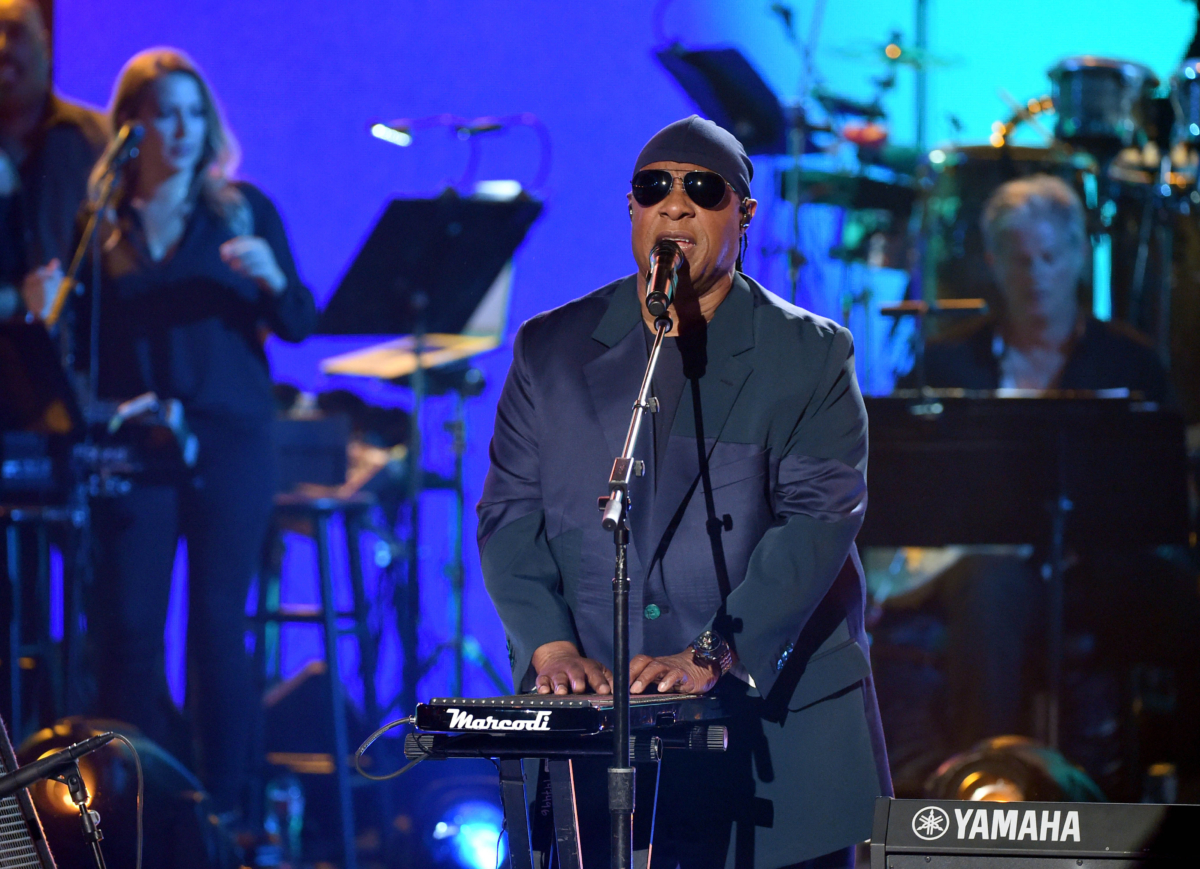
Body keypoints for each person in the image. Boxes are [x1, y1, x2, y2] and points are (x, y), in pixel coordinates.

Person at [477, 115, 890, 869]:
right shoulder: (550, 349)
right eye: (653, 188)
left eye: (702, 189)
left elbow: (818, 519)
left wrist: (713, 652)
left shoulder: (810, 354)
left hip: (770, 740)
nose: (675, 205)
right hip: (592, 745)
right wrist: (551, 644)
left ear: (744, 215)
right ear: (630, 210)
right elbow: (510, 517)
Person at [24, 48, 317, 817]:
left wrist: (272, 279)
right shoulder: (103, 225)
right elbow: (81, 349)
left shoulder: (239, 209)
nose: (182, 131)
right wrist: (48, 306)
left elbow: (298, 321)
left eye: (194, 114)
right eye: (165, 115)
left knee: (218, 623)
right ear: (133, 128)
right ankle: (135, 803)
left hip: (233, 438)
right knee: (129, 628)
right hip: (142, 446)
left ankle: (225, 808)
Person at [888, 174, 1198, 790]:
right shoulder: (947, 363)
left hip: (1102, 564)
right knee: (989, 586)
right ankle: (989, 794)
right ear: (993, 263)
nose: (1036, 275)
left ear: (1080, 256)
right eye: (1020, 259)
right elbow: (903, 487)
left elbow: (1164, 493)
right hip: (988, 565)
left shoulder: (1130, 361)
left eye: (1051, 257)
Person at [0, 0, 106, 319]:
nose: (2, 46)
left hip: (72, 359)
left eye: (16, 32)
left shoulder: (96, 138)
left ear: (45, 44)